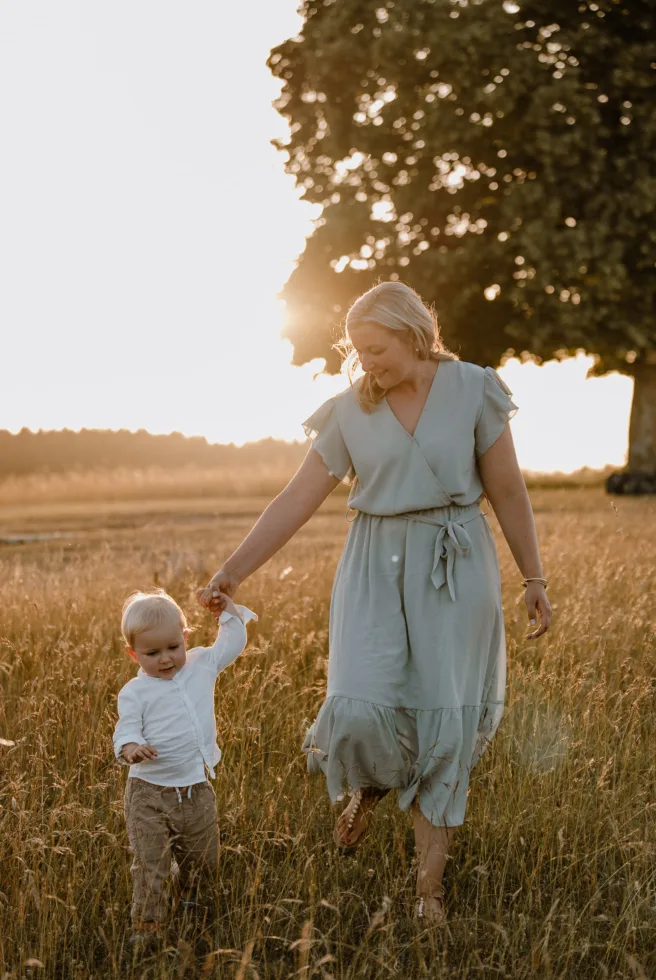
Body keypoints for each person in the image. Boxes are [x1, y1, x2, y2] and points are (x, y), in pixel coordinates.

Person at [198, 280, 552, 926]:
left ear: (413, 334)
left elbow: (506, 488)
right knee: (359, 707)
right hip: (373, 566)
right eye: (357, 352)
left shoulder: (474, 388)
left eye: (377, 349)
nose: (368, 364)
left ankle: (427, 893)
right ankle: (369, 783)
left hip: (455, 562)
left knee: (442, 724)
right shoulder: (346, 411)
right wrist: (231, 572)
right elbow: (295, 500)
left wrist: (534, 579)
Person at [113, 588, 257, 942]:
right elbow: (126, 728)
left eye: (173, 647)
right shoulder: (135, 692)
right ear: (134, 654)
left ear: (185, 638)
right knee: (151, 865)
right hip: (148, 794)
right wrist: (131, 747)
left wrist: (227, 612)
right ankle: (148, 930)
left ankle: (193, 909)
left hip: (196, 789)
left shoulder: (200, 665)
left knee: (203, 861)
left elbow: (232, 643)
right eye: (152, 652)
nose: (165, 659)